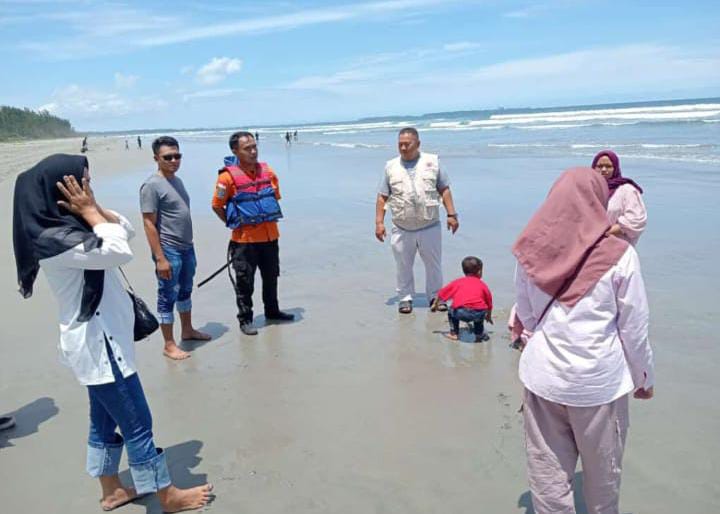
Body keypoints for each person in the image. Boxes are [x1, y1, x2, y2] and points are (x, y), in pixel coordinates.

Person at [12, 154, 213, 512]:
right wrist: (90, 213)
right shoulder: (54, 239)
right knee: (137, 420)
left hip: (104, 341)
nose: (89, 187)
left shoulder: (72, 227)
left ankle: (112, 490)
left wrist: (93, 207)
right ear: (62, 190)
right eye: (82, 182)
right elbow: (118, 250)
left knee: (104, 418)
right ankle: (167, 495)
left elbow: (125, 230)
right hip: (99, 345)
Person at [512, 167, 654, 514]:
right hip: (599, 384)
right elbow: (633, 327)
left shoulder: (532, 249)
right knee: (602, 477)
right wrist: (644, 377)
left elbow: (529, 317)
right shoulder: (621, 254)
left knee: (548, 477)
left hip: (543, 378)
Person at [211, 131, 294, 335]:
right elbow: (217, 205)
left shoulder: (268, 172)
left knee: (271, 276)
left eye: (255, 146)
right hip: (244, 240)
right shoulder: (226, 178)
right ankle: (245, 319)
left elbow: (274, 197)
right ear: (235, 151)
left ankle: (272, 311)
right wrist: (233, 223)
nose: (253, 151)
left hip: (270, 236)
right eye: (247, 148)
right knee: (245, 281)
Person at [140, 136, 210, 360]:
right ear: (156, 158)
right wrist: (160, 258)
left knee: (185, 289)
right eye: (167, 157)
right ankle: (169, 344)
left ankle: (187, 330)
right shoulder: (151, 185)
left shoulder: (176, 181)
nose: (173, 160)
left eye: (177, 156)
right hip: (168, 249)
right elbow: (149, 223)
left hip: (186, 247)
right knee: (167, 294)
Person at [375, 127, 459, 314]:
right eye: (400, 144)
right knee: (403, 265)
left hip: (429, 225)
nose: (403, 148)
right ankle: (405, 298)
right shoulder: (390, 166)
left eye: (407, 144)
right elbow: (382, 196)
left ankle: (436, 297)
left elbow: (444, 189)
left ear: (418, 144)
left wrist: (452, 215)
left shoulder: (433, 162)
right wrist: (379, 223)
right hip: (402, 227)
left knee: (433, 264)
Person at [591, 150, 647, 246]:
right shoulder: (589, 189)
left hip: (618, 249)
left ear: (615, 168)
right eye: (599, 166)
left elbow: (636, 221)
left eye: (608, 166)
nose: (604, 169)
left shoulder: (627, 190)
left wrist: (605, 233)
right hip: (591, 248)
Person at [433, 256, 493, 342]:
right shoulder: (482, 284)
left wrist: (435, 305)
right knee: (480, 314)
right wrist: (488, 316)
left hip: (460, 313)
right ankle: (479, 335)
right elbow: (489, 302)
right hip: (478, 313)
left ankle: (454, 333)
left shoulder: (458, 282)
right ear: (479, 271)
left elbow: (442, 293)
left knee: (451, 310)